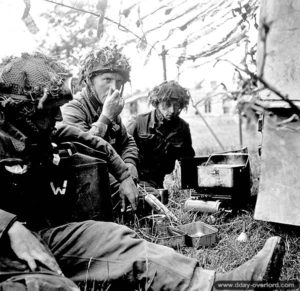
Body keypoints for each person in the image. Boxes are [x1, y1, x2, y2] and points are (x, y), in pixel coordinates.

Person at [0, 53, 285, 291]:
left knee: (113, 237)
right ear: (19, 110)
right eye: (49, 110)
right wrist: (9, 226)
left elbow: (97, 142)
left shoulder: (44, 128)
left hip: (41, 230)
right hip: (9, 244)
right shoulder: (72, 114)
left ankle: (213, 285)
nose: (58, 118)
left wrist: (126, 174)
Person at [61, 46, 139, 212]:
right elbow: (81, 153)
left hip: (105, 178)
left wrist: (129, 163)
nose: (114, 88)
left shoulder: (110, 110)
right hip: (79, 186)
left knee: (146, 198)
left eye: (119, 82)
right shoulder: (72, 109)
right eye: (107, 80)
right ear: (90, 81)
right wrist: (105, 118)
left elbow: (127, 141)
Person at [127, 80, 195, 189]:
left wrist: (191, 189)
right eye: (167, 104)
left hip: (157, 182)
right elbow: (119, 154)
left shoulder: (182, 128)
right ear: (157, 102)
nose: (172, 110)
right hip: (133, 180)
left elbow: (188, 162)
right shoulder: (138, 123)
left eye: (176, 105)